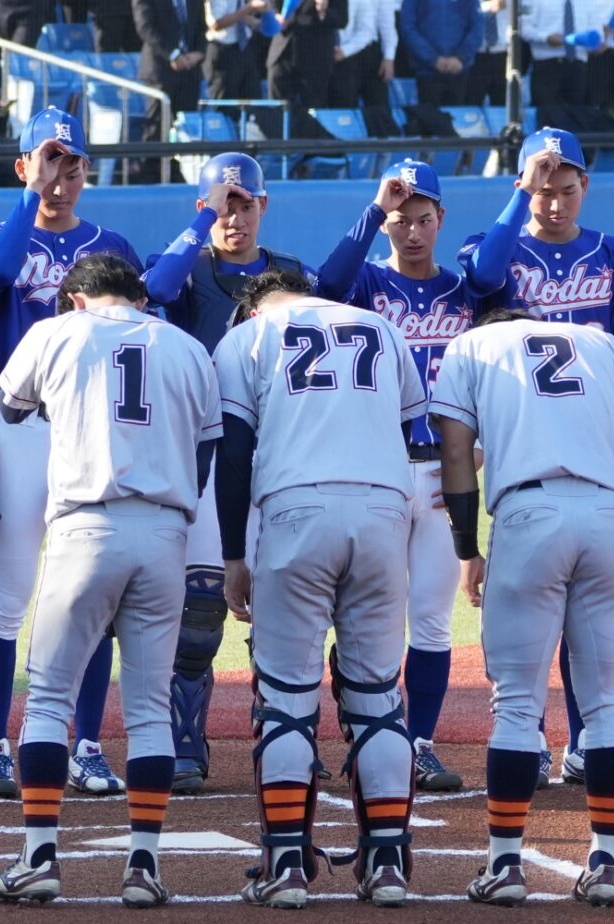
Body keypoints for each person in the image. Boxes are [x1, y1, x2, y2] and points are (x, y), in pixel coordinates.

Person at [0, 254, 222, 906]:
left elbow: (12, 407)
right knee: (148, 709)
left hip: (87, 526)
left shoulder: (57, 330)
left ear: (78, 297)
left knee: (49, 699)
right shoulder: (186, 346)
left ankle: (39, 858)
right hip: (166, 531)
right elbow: (206, 449)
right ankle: (143, 868)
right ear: (140, 296)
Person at [460, 128, 614, 783]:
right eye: (544, 191)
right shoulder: (496, 241)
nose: (555, 203)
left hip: (598, 435)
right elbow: (482, 278)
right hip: (525, 439)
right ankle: (529, 735)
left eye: (566, 189)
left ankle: (587, 737)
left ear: (585, 186)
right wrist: (520, 194)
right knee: (530, 605)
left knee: (590, 606)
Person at [214, 268, 425, 908]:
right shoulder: (381, 327)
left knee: (285, 697)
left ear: (253, 306)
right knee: (378, 695)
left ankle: (285, 866)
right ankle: (387, 864)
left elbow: (235, 452)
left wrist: (232, 554)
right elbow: (409, 434)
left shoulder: (249, 336)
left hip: (296, 509)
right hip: (385, 510)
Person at [433, 308, 614, 908]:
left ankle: (505, 864)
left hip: (529, 514)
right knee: (606, 702)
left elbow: (456, 453)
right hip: (607, 512)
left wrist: (466, 548)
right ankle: (606, 864)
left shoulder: (472, 344)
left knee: (516, 706)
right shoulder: (602, 343)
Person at [0, 107, 144, 799]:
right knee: (7, 603)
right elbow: (0, 272)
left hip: (91, 432)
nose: (61, 180)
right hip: (19, 429)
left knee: (91, 598)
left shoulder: (112, 245)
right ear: (23, 166)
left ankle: (88, 744)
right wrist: (32, 192)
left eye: (72, 166)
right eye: (48, 163)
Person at [143, 152, 314, 795]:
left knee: (285, 603)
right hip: (209, 451)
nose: (233, 216)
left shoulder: (291, 274)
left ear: (263, 205)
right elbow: (157, 290)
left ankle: (285, 734)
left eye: (244, 204)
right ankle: (187, 739)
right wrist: (201, 222)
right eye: (222, 205)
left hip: (279, 450)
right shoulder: (188, 268)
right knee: (201, 609)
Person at [314, 160, 474, 791]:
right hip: (376, 467)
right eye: (400, 221)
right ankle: (366, 728)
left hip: (439, 472)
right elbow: (326, 285)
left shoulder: (465, 291)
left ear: (441, 220)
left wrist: (478, 449)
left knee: (431, 618)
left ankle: (420, 743)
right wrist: (374, 209)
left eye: (422, 219)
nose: (412, 231)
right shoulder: (366, 283)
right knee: (365, 613)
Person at [133, 0, 206, 152]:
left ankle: (179, 165)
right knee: (156, 126)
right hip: (160, 71)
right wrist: (173, 55)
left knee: (186, 127)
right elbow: (146, 28)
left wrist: (198, 53)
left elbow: (201, 26)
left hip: (189, 71)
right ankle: (151, 165)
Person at [267, 0, 348, 111]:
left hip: (315, 57)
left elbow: (342, 19)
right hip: (282, 52)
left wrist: (322, 12)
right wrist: (275, 15)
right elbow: (271, 4)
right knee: (277, 111)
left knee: (313, 111)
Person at [517, 0, 600, 108]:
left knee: (577, 113)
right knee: (547, 112)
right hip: (547, 66)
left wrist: (597, 43)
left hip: (578, 66)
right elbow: (523, 27)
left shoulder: (589, 2)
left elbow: (595, 31)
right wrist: (545, 37)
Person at [400, 0, 482, 106]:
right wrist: (433, 59)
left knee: (458, 115)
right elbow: (407, 28)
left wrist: (461, 58)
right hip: (427, 72)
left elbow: (478, 28)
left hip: (460, 71)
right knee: (429, 115)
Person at [329, 0, 396, 110]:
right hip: (334, 54)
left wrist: (389, 56)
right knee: (341, 106)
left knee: (377, 108)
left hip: (367, 53)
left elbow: (385, 22)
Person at [204, 0, 271, 100]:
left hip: (243, 48)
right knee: (225, 103)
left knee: (253, 100)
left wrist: (254, 21)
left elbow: (234, 12)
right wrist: (250, 7)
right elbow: (216, 23)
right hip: (224, 52)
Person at [465, 0, 507, 107]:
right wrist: (488, 6)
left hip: (503, 54)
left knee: (502, 103)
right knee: (471, 102)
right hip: (475, 55)